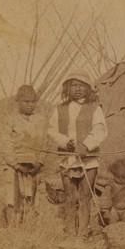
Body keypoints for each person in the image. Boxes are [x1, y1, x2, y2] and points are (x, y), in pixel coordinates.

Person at [47, 71, 108, 238]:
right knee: (69, 196)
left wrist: (86, 145)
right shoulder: (60, 108)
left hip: (89, 159)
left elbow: (100, 130)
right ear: (68, 88)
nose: (78, 89)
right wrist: (65, 141)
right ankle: (70, 231)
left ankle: (82, 232)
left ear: (88, 89)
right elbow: (52, 130)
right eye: (74, 85)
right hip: (68, 158)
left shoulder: (95, 108)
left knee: (85, 196)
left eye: (81, 86)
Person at [1, 84, 47, 226]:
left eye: (33, 102)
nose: (30, 105)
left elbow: (44, 144)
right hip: (14, 166)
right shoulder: (10, 120)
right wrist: (16, 164)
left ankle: (28, 227)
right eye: (26, 102)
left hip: (33, 166)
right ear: (18, 101)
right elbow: (5, 144)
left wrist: (39, 163)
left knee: (31, 197)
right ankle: (12, 228)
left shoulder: (41, 120)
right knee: (13, 196)